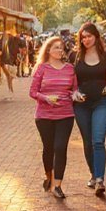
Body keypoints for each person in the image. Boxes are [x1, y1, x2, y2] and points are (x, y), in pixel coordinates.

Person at [29, 36, 77, 198]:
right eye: (56, 47)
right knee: (48, 148)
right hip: (44, 116)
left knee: (60, 147)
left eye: (61, 47)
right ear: (48, 50)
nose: (59, 50)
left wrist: (76, 95)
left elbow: (74, 89)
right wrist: (46, 98)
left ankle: (58, 185)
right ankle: (48, 176)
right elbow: (33, 92)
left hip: (66, 114)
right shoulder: (42, 68)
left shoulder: (70, 68)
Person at [73, 22, 106, 196]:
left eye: (89, 36)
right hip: (81, 105)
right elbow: (71, 81)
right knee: (87, 141)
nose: (86, 40)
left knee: (98, 141)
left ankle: (99, 179)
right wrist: (74, 93)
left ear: (96, 37)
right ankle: (93, 173)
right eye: (83, 37)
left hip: (101, 102)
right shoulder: (74, 56)